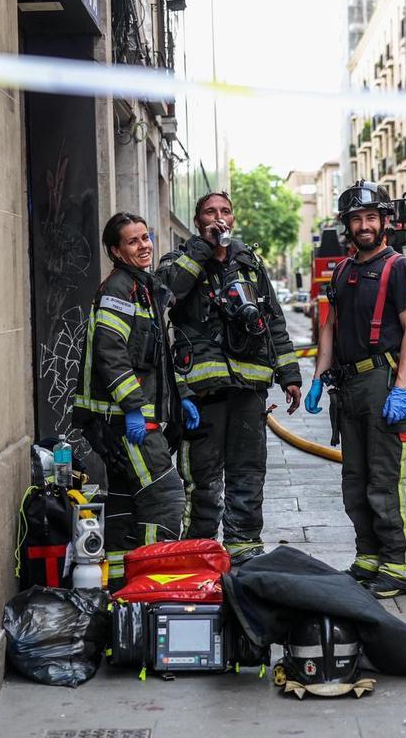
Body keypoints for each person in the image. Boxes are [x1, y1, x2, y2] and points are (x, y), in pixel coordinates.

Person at [156, 192, 303, 564]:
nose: (218, 217)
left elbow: (273, 322)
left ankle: (244, 551)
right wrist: (203, 250)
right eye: (210, 212)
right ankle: (199, 553)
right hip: (204, 395)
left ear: (233, 219)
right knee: (202, 480)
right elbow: (166, 294)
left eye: (224, 211)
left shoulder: (249, 264)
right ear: (197, 220)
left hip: (248, 391)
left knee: (249, 474)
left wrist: (289, 374)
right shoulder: (181, 260)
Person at [305, 181, 406, 599]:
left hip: (383, 382)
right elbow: (329, 326)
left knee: (387, 480)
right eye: (356, 219)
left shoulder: (399, 268)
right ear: (348, 226)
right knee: (355, 480)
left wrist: (402, 388)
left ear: (385, 222)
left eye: (371, 217)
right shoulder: (342, 270)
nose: (364, 225)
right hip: (349, 386)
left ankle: (401, 565)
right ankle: (370, 557)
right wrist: (319, 377)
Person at [71, 212, 198, 586]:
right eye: (133, 241)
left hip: (131, 418)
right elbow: (112, 354)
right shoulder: (119, 290)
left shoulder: (144, 287)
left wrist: (183, 395)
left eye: (146, 238)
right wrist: (132, 411)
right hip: (123, 419)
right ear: (116, 250)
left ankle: (117, 587)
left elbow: (157, 357)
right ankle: (152, 582)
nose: (143, 246)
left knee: (127, 502)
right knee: (164, 496)